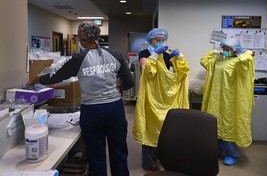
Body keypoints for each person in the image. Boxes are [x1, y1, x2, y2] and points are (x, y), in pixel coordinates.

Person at [26, 21, 134, 176]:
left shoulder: (79, 58)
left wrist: (35, 79)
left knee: (96, 156)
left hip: (92, 111)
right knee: (119, 152)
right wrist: (118, 89)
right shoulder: (115, 54)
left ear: (82, 38)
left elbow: (55, 76)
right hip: (115, 109)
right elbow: (129, 82)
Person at [132, 28, 190, 172]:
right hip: (150, 95)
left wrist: (179, 57)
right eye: (157, 39)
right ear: (150, 40)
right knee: (149, 125)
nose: (160, 42)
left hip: (164, 96)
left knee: (163, 127)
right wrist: (155, 55)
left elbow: (180, 71)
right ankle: (148, 163)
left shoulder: (166, 54)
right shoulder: (145, 54)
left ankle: (160, 157)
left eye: (162, 40)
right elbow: (147, 69)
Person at [200, 37, 255, 166]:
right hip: (215, 98)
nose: (224, 51)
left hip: (229, 100)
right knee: (215, 127)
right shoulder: (217, 60)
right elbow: (203, 62)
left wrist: (248, 53)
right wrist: (212, 52)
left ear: (234, 50)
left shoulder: (238, 62)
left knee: (227, 127)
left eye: (228, 49)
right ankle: (217, 151)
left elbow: (244, 61)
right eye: (223, 48)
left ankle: (232, 154)